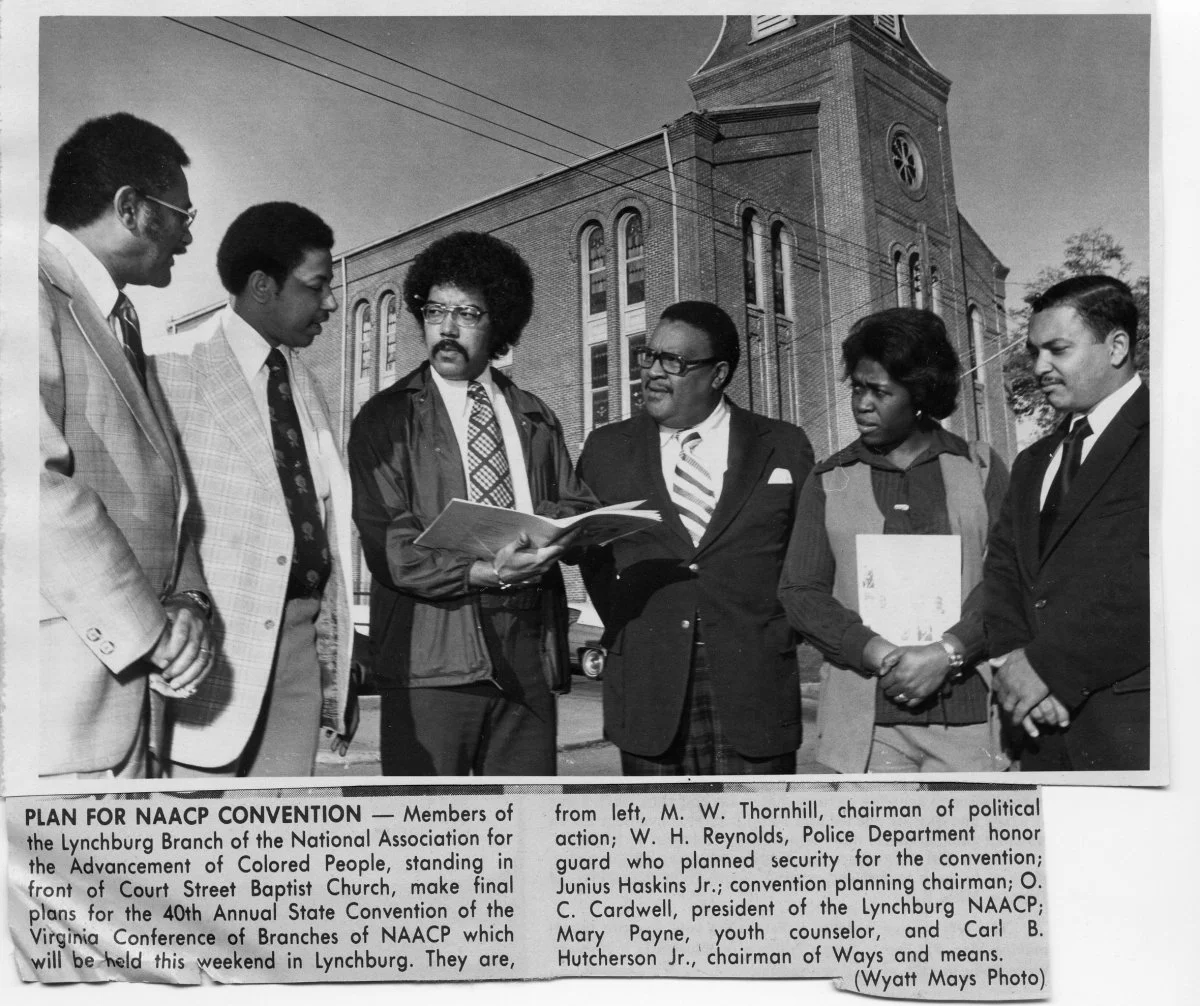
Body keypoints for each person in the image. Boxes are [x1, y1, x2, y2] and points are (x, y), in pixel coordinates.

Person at [348, 231, 596, 775]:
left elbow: (570, 503)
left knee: (527, 826)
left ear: (499, 322)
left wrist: (556, 533)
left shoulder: (534, 414)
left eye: (467, 313)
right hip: (434, 653)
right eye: (435, 311)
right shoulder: (385, 419)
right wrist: (486, 571)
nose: (448, 328)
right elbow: (391, 546)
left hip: (529, 646)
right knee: (432, 834)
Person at [153, 203, 358, 777]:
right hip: (208, 665)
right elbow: (149, 520)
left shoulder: (306, 384)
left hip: (297, 659)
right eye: (317, 286)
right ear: (263, 286)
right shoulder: (170, 368)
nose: (332, 302)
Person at [39, 113, 213, 778]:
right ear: (132, 209)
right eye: (182, 214)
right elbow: (26, 488)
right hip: (60, 719)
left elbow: (169, 506)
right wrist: (152, 630)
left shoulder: (120, 321)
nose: (189, 237)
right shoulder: (23, 288)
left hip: (131, 710)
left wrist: (189, 603)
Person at [577, 301, 814, 775]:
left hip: (755, 683)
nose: (653, 373)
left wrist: (770, 632)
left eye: (675, 363)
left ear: (719, 373)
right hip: (649, 685)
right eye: (650, 356)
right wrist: (643, 625)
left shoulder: (784, 445)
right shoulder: (605, 450)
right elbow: (592, 558)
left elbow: (805, 558)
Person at [778, 308, 1010, 775]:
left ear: (920, 395)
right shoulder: (830, 480)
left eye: (880, 392)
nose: (862, 403)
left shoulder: (980, 468)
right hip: (867, 726)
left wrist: (948, 652)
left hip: (969, 720)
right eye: (857, 388)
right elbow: (800, 592)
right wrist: (877, 652)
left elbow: (1011, 578)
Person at [985, 275, 1149, 771]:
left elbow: (1166, 579)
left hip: (1132, 730)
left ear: (1116, 346)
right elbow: (1004, 570)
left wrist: (1050, 670)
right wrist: (1016, 667)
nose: (1039, 367)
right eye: (1035, 352)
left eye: (1057, 349)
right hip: (1037, 731)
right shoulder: (1034, 460)